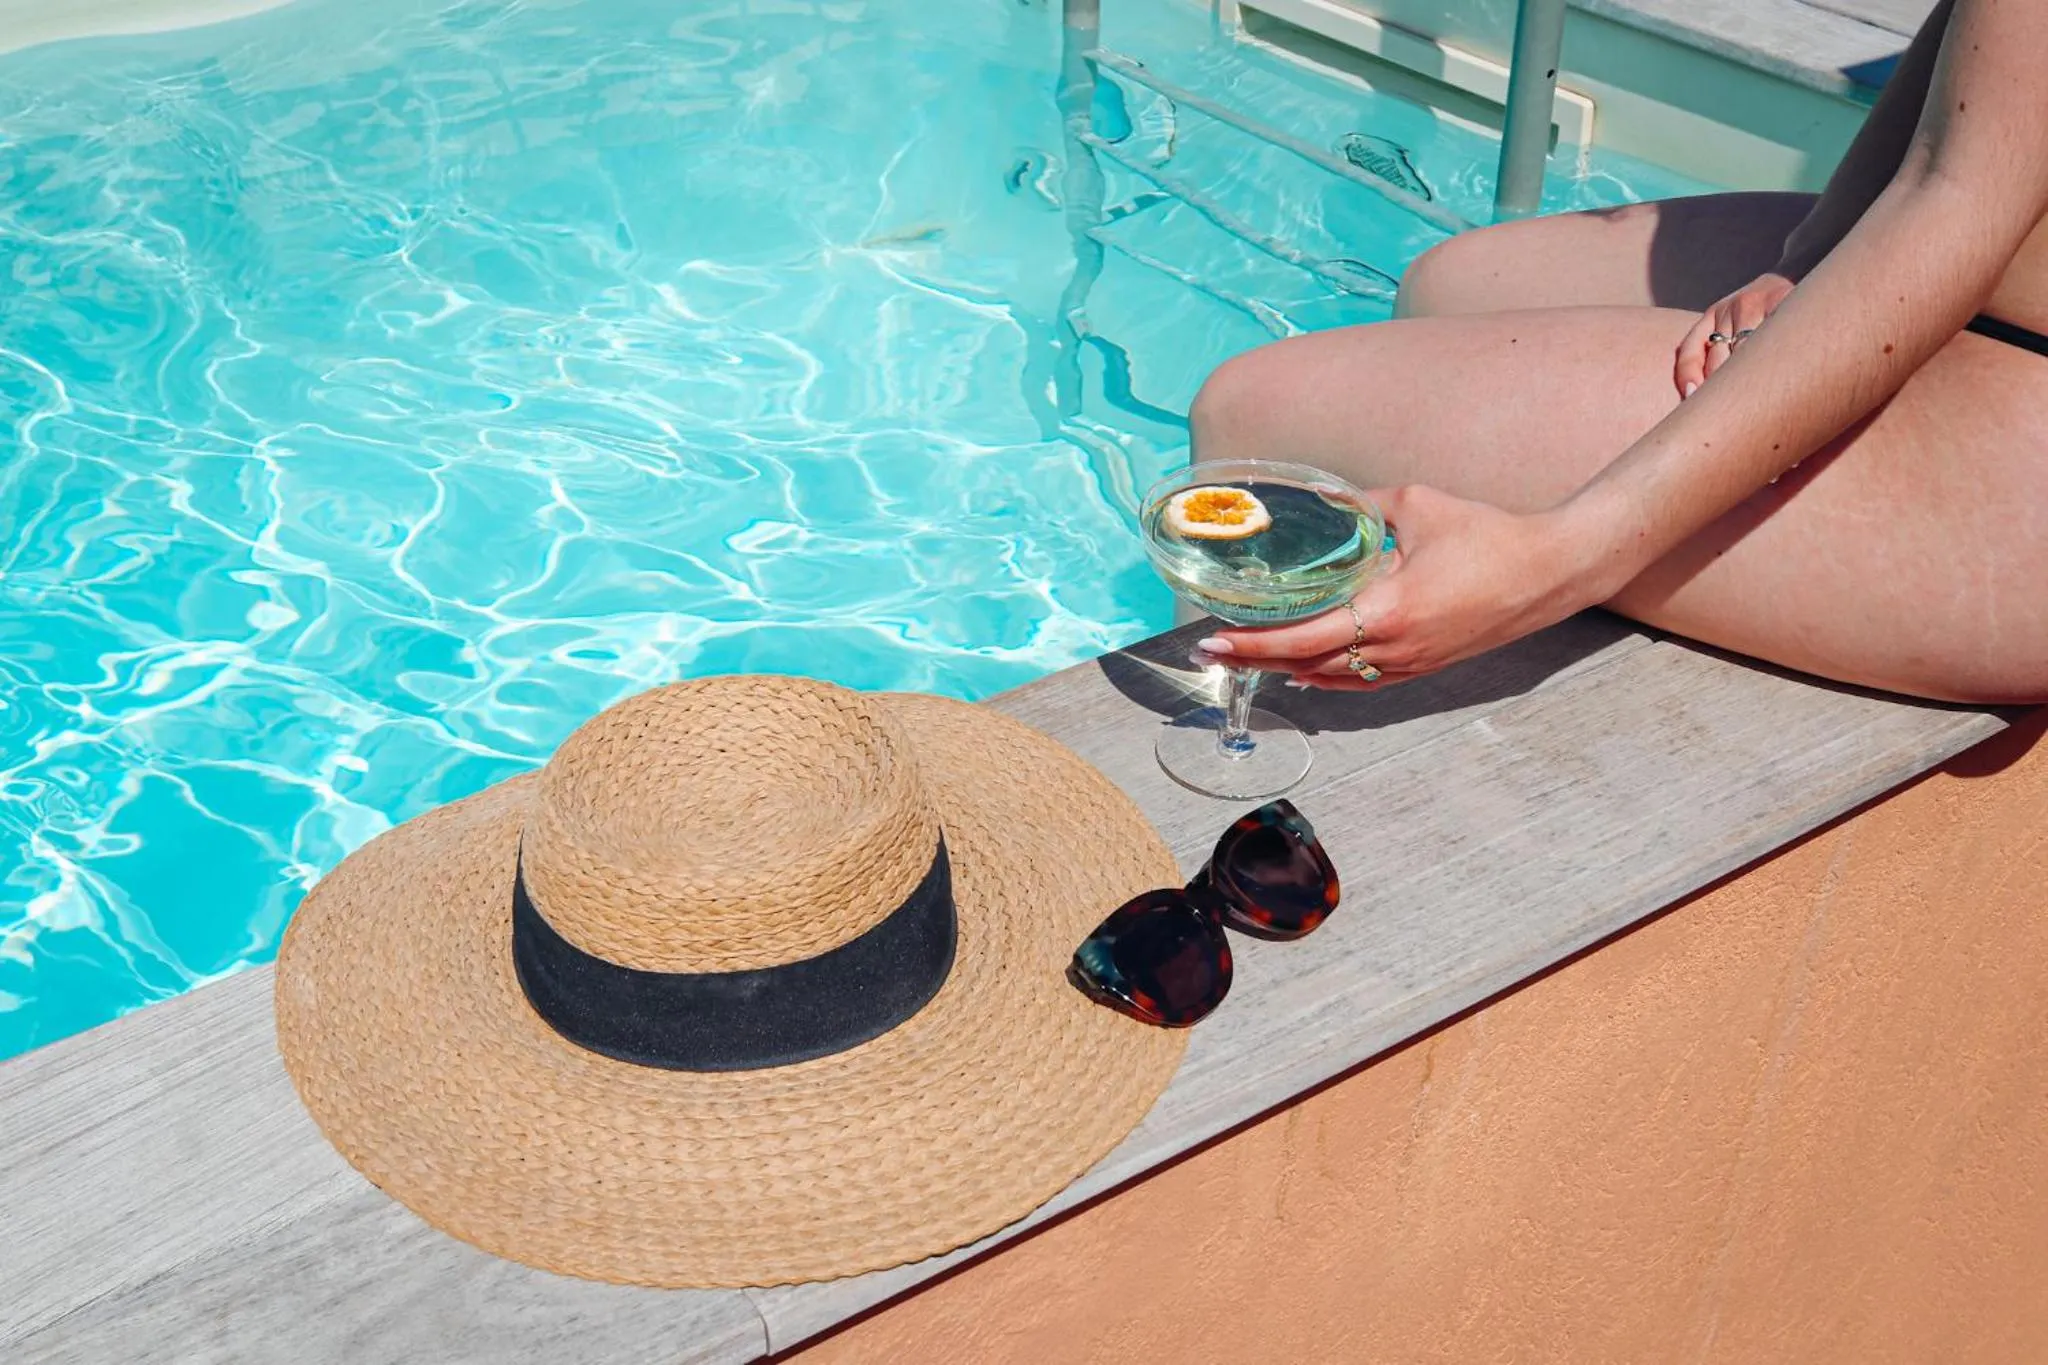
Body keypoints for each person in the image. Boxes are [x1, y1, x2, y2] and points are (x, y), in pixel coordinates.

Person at [1189, 0, 2048, 705]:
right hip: (1987, 265)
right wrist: (1810, 257)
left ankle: (1222, 774)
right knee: (1449, 281)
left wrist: (1558, 559)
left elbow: (1957, 200)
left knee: (1253, 410)